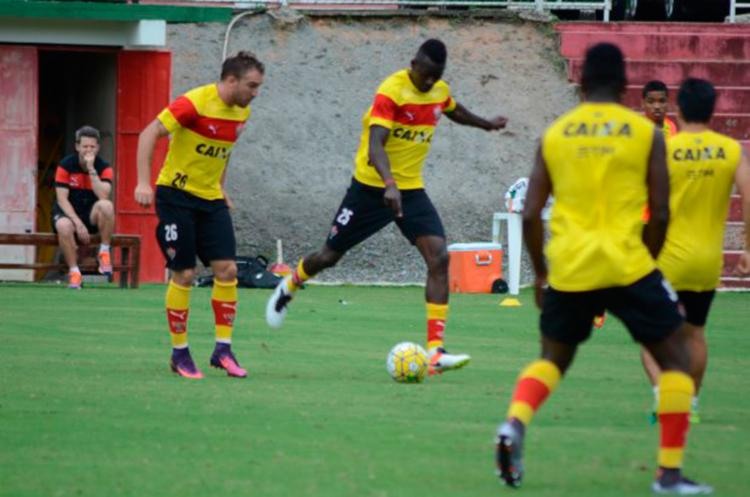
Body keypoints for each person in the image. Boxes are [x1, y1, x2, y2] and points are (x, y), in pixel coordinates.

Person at [494, 43, 713, 494]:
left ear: (580, 82)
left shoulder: (556, 134)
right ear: (625, 84)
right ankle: (669, 474)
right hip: (627, 265)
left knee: (552, 360)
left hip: (572, 268)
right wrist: (647, 264)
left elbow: (531, 213)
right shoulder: (646, 133)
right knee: (675, 360)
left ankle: (514, 425)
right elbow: (662, 211)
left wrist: (540, 274)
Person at [265, 39, 507, 374]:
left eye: (436, 77)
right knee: (329, 256)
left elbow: (453, 109)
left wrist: (485, 123)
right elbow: (376, 144)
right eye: (425, 76)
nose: (429, 83)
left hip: (410, 190)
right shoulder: (391, 92)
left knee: (439, 256)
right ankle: (290, 284)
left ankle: (435, 351)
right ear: (413, 64)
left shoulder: (438, 90)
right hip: (370, 188)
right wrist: (388, 184)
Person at [134, 51, 265, 380]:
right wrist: (141, 182)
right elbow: (148, 133)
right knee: (186, 274)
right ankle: (180, 353)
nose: (255, 92)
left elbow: (224, 152)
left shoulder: (241, 113)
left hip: (210, 200)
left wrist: (221, 187)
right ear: (231, 80)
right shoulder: (193, 103)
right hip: (176, 197)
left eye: (258, 86)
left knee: (228, 269)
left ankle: (223, 350)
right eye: (251, 85)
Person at [641, 78, 750, 425]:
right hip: (707, 261)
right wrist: (747, 246)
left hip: (668, 258)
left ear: (680, 109)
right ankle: (693, 402)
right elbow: (748, 194)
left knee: (652, 337)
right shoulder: (731, 150)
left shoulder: (665, 149)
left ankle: (667, 399)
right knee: (696, 333)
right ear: (713, 110)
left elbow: (652, 207)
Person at [593, 80, 678, 330]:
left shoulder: (672, 130)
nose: (657, 106)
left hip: (659, 206)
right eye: (651, 101)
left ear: (668, 103)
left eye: (662, 101)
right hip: (635, 205)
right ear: (643, 103)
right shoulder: (634, 129)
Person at [53, 125, 115, 289]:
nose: (88, 150)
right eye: (85, 146)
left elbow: (103, 195)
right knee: (63, 225)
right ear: (77, 146)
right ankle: (74, 273)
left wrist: (91, 169)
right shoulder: (65, 165)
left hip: (91, 214)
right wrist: (77, 223)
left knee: (107, 206)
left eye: (92, 147)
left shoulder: (104, 167)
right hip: (69, 213)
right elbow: (62, 199)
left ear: (98, 148)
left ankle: (104, 251)